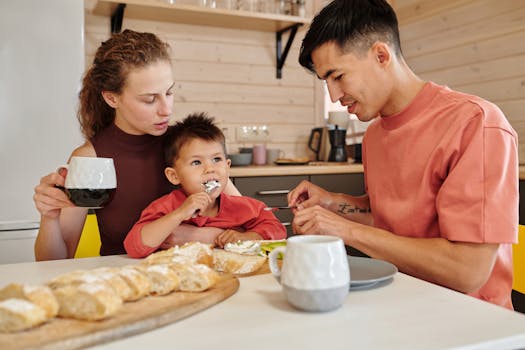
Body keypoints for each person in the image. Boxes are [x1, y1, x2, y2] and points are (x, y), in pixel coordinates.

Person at [288, 0, 518, 309]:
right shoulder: (374, 135)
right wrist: (332, 204)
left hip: (471, 321)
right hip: (399, 300)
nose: (333, 95)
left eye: (338, 76)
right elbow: (391, 221)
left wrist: (344, 229)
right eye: (325, 82)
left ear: (381, 55)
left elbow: (468, 271)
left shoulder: (475, 123)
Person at [33, 30, 240, 260]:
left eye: (169, 92)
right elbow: (53, 263)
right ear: (112, 98)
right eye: (149, 99)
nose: (166, 109)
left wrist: (199, 236)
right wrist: (49, 217)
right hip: (126, 286)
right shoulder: (90, 160)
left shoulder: (189, 146)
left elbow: (254, 226)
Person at [124, 113, 286, 258]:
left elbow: (278, 230)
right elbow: (134, 247)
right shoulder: (167, 207)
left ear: (227, 167)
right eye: (196, 162)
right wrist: (179, 214)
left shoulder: (244, 207)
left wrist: (248, 236)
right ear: (174, 176)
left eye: (216, 159)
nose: (210, 169)